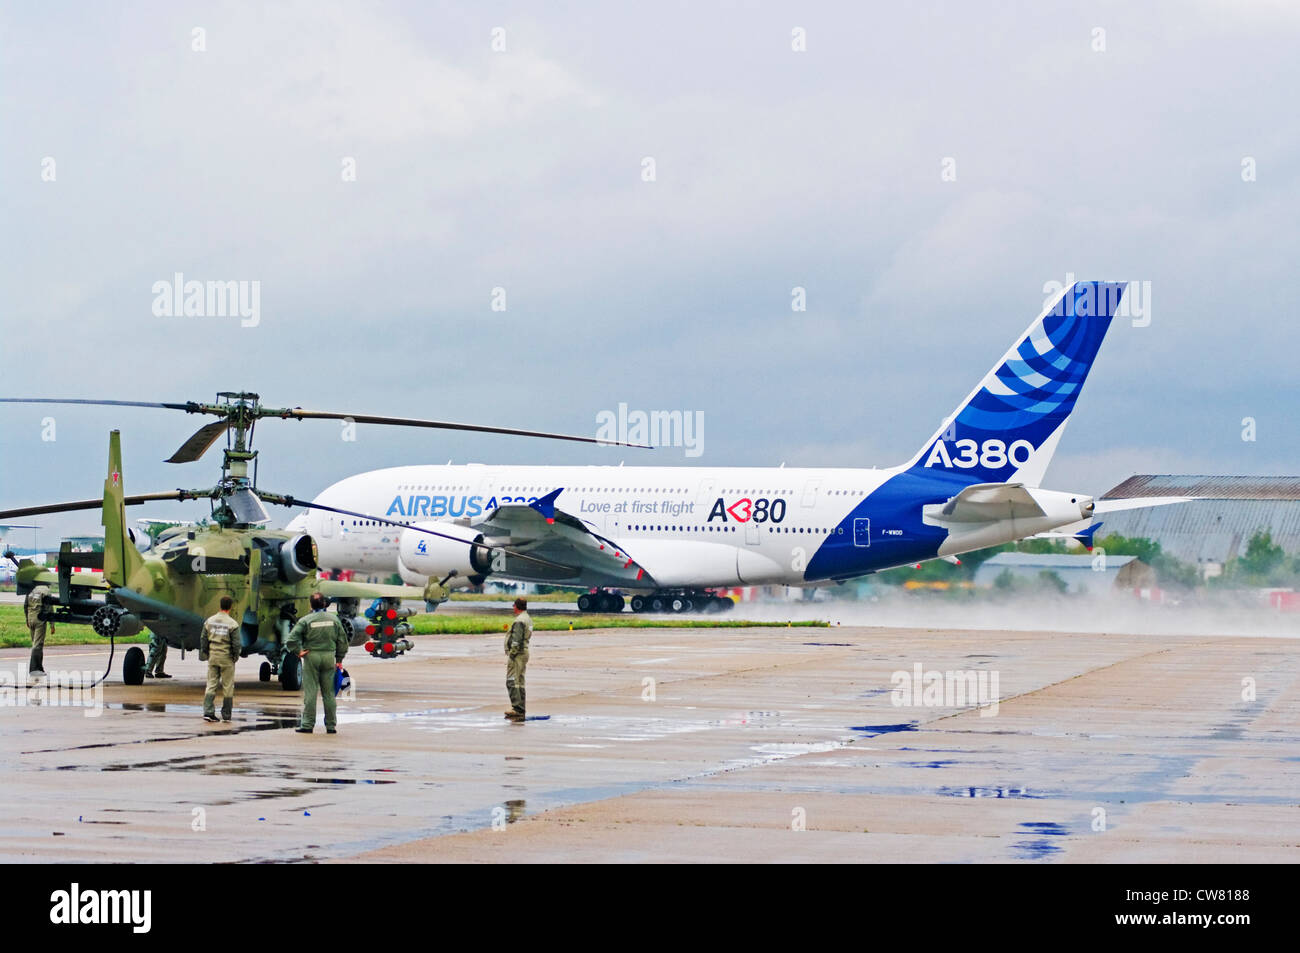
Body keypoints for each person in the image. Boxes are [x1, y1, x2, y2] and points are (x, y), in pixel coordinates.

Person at [285, 592, 349, 735]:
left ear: (310, 605)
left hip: (311, 656)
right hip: (328, 657)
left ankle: (308, 725)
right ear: (325, 604)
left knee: (311, 693)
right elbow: (343, 642)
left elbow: (291, 639)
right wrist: (339, 660)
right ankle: (331, 726)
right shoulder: (334, 620)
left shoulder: (306, 620)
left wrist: (298, 651)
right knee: (329, 694)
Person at [200, 595, 240, 723]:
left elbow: (203, 639)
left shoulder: (209, 621)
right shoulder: (233, 624)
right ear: (230, 607)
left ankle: (208, 712)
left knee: (211, 684)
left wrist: (207, 652)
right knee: (228, 686)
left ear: (220, 605)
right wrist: (235, 656)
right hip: (226, 658)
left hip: (213, 656)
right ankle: (226, 715)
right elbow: (236, 644)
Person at [504, 597, 532, 721]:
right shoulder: (527, 618)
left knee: (512, 681)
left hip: (518, 654)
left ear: (517, 606)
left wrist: (512, 654)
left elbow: (516, 640)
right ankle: (520, 708)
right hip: (524, 652)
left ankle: (517, 708)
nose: (513, 608)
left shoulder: (520, 620)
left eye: (514, 605)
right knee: (520, 681)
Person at [24, 583, 53, 678]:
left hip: (30, 617)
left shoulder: (31, 589)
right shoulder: (46, 591)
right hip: (40, 619)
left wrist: (27, 619)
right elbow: (49, 608)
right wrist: (52, 624)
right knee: (38, 645)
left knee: (35, 644)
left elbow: (25, 605)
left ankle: (39, 667)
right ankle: (34, 669)